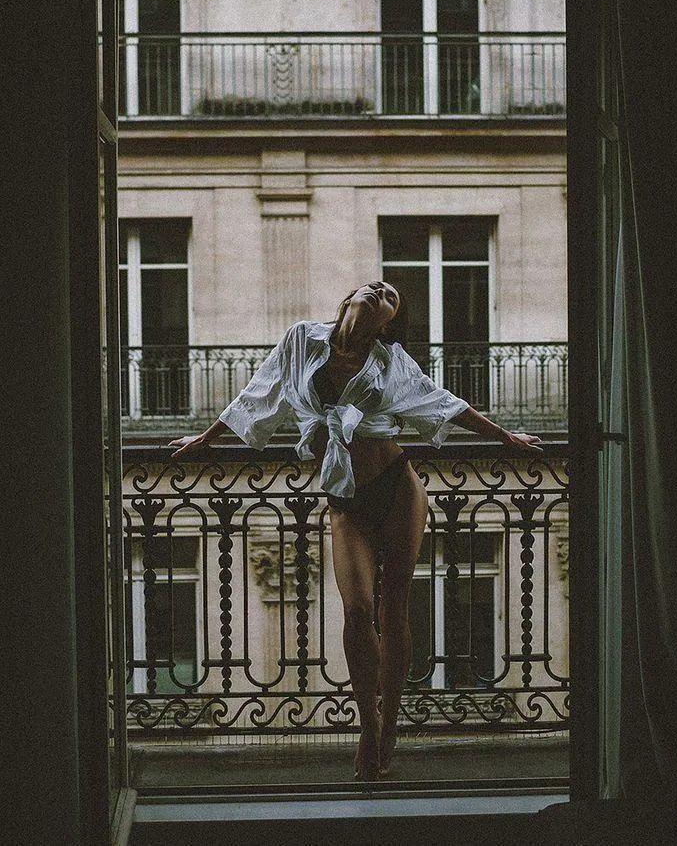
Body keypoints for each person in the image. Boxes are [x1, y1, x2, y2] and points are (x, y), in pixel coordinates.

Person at [169, 281, 543, 780]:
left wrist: (506, 436)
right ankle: (368, 723)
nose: (380, 289)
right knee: (357, 609)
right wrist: (206, 438)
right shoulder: (303, 339)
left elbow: (445, 403)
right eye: (375, 286)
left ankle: (389, 726)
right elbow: (257, 391)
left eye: (390, 296)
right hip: (344, 503)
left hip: (396, 487)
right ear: (346, 299)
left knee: (395, 606)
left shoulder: (391, 361)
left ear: (389, 321)